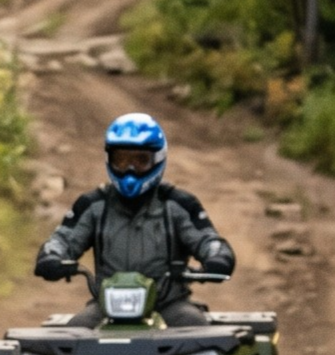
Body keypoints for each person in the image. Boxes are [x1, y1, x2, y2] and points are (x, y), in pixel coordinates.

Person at [33, 112, 236, 325]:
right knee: (74, 335)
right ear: (109, 159)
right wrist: (52, 257)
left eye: (140, 161)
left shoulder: (178, 204)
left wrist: (218, 257)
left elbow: (208, 240)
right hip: (107, 308)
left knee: (198, 332)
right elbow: (63, 239)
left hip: (168, 305)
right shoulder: (93, 205)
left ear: (157, 159)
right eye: (121, 160)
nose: (130, 169)